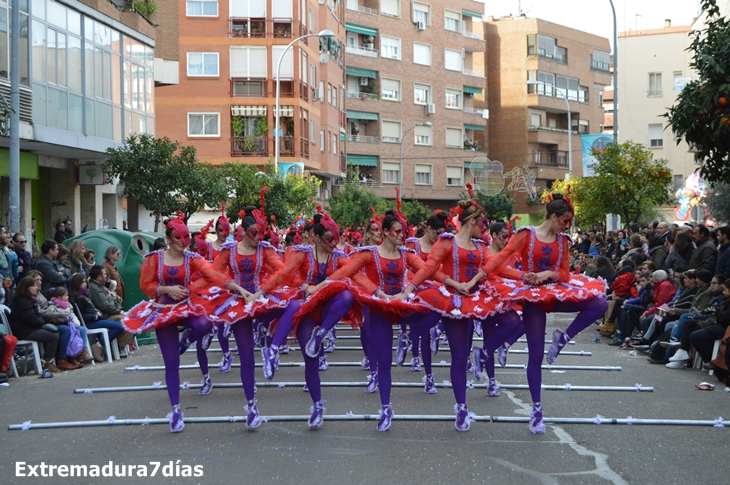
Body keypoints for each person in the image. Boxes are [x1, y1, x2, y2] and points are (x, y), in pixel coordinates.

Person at [483, 193, 607, 434]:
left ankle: (564, 337)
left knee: (600, 304)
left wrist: (546, 275)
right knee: (536, 356)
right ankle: (537, 410)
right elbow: (501, 260)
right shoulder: (526, 235)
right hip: (533, 299)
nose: (567, 225)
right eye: (565, 220)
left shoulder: (562, 241)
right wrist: (509, 276)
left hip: (555, 291)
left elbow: (564, 274)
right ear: (553, 217)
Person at [400, 192, 523, 432]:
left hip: (478, 297)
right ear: (471, 222)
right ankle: (461, 407)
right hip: (454, 301)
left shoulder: (480, 246)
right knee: (458, 357)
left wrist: (525, 277)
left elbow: (496, 267)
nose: (485, 230)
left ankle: (484, 353)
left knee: (512, 320)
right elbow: (428, 269)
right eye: (484, 225)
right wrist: (410, 289)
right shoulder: (447, 242)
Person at [325, 206, 445, 430]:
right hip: (379, 308)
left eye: (404, 231)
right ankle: (386, 408)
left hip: (400, 304)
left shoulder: (406, 254)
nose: (402, 235)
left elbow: (429, 270)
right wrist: (320, 286)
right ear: (387, 232)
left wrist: (449, 285)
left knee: (437, 306)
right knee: (384, 363)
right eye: (398, 231)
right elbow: (346, 272)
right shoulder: (370, 254)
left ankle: (409, 339)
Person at [122, 213, 232, 433]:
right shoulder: (155, 258)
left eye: (186, 238)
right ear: (170, 238)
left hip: (186, 307)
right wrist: (168, 289)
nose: (184, 242)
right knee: (171, 364)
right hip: (163, 310)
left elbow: (213, 275)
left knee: (205, 324)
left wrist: (190, 289)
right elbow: (146, 285)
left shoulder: (191, 258)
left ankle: (186, 340)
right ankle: (176, 410)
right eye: (179, 238)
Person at [197, 204, 302, 426]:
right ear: (243, 231)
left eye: (261, 233)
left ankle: (272, 348)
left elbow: (282, 271)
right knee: (246, 358)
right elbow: (214, 273)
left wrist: (261, 291)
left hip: (259, 298)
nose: (258, 237)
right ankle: (251, 406)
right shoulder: (229, 250)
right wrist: (236, 287)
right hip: (237, 302)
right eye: (254, 233)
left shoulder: (265, 250)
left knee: (293, 306)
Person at [259, 209, 359, 428]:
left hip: (325, 310)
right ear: (316, 237)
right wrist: (264, 290)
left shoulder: (338, 257)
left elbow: (352, 271)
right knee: (311, 362)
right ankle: (317, 406)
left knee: (347, 295)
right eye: (328, 239)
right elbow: (284, 274)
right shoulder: (303, 253)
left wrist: (323, 284)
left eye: (336, 239)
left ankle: (321, 335)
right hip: (305, 311)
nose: (334, 243)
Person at [68, 273, 129, 362]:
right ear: (76, 284)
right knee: (120, 326)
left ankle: (100, 346)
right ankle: (98, 346)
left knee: (121, 325)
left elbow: (91, 309)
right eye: (82, 282)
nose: (85, 284)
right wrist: (96, 316)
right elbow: (82, 316)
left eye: (85, 282)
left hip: (96, 319)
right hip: (91, 322)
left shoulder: (84, 295)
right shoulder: (78, 298)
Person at [8, 276, 61, 373]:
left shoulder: (30, 300)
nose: (37, 288)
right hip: (23, 331)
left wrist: (41, 321)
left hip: (29, 328)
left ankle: (48, 361)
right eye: (34, 286)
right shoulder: (23, 301)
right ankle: (46, 362)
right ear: (26, 288)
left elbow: (37, 317)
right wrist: (43, 322)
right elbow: (33, 320)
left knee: (54, 332)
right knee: (53, 336)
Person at [45, 286, 93, 370]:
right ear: (59, 297)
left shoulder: (68, 305)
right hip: (59, 324)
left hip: (69, 323)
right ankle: (63, 359)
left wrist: (76, 323)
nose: (68, 297)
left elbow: (72, 315)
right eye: (66, 295)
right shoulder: (52, 306)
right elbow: (52, 317)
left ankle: (81, 353)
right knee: (68, 331)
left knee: (81, 329)